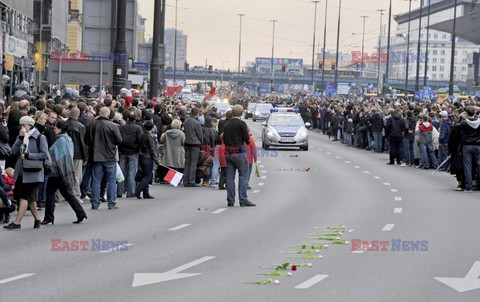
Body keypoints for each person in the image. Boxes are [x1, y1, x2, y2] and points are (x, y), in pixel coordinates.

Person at [4, 116, 48, 230]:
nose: (22, 127)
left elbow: (44, 154)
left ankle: (17, 222)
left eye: (24, 125)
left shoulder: (39, 137)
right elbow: (12, 151)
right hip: (22, 172)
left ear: (30, 125)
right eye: (21, 125)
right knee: (30, 198)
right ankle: (37, 220)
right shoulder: (24, 137)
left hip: (34, 172)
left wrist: (29, 155)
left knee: (24, 197)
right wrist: (20, 138)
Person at [42, 120, 87, 225]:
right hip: (62, 172)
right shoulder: (66, 139)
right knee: (67, 194)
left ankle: (49, 217)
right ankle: (80, 213)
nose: (54, 130)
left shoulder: (62, 140)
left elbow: (62, 158)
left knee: (50, 193)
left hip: (58, 172)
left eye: (55, 128)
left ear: (60, 128)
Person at [85, 107, 122, 209]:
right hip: (109, 156)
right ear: (108, 114)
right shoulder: (112, 126)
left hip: (96, 156)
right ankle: (111, 202)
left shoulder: (92, 125)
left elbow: (86, 140)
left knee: (96, 180)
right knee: (111, 180)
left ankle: (95, 203)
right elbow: (119, 140)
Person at [223, 105, 255, 207]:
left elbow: (224, 138)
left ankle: (230, 200)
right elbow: (246, 139)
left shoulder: (226, 125)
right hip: (239, 152)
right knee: (243, 176)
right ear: (241, 113)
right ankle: (243, 199)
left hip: (228, 153)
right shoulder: (241, 124)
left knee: (230, 177)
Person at [118, 111, 142, 198]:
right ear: (135, 119)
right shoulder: (137, 128)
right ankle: (130, 192)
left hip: (123, 151)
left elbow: (119, 139)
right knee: (132, 172)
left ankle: (119, 191)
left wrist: (120, 149)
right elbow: (140, 140)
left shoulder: (122, 127)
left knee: (121, 172)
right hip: (133, 152)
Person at [66, 108, 88, 200]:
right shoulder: (80, 126)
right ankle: (75, 194)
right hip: (77, 153)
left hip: (66, 153)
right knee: (77, 175)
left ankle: (67, 193)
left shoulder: (64, 124)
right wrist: (85, 156)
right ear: (78, 115)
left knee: (66, 173)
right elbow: (83, 143)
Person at [135, 121, 160, 199]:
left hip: (141, 156)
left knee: (144, 174)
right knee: (147, 176)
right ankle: (137, 191)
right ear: (152, 128)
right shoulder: (150, 136)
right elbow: (152, 150)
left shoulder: (141, 135)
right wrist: (157, 160)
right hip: (148, 157)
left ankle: (146, 193)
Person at [459, 107, 480, 192]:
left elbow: (458, 129)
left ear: (466, 113)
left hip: (467, 145)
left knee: (467, 166)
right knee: (479, 165)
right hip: (478, 145)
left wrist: (461, 118)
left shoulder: (464, 123)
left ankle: (469, 187)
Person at [183, 108, 203, 187]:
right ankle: (191, 181)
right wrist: (201, 142)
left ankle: (185, 181)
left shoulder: (186, 121)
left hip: (187, 143)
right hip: (195, 144)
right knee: (193, 163)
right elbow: (200, 135)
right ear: (197, 114)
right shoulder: (196, 123)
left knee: (187, 163)